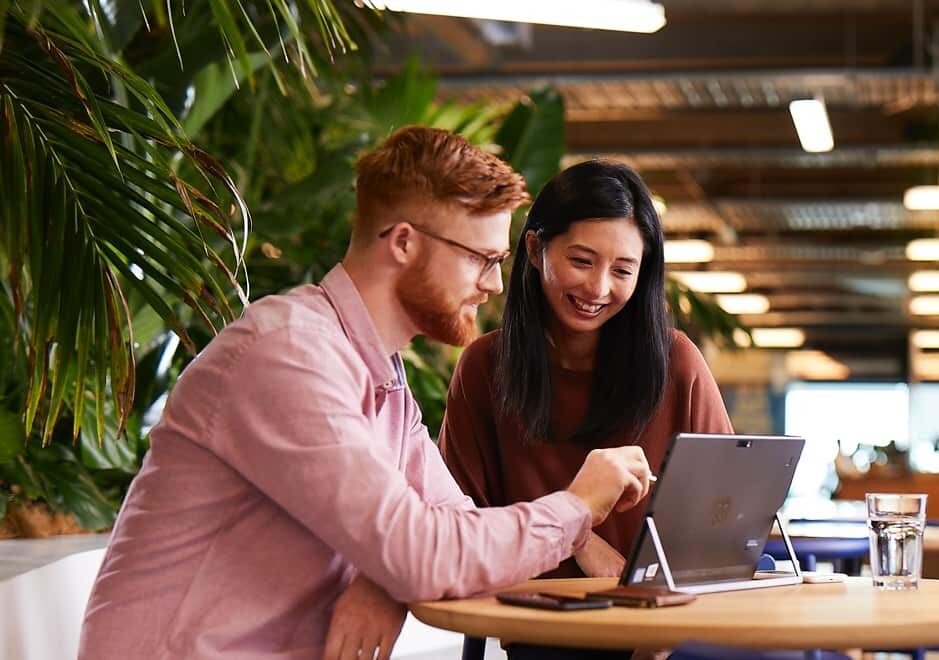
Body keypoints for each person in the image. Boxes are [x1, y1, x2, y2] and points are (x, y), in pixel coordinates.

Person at [78, 128, 652, 660]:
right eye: (481, 259)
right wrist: (578, 506)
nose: (495, 284)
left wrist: (389, 576)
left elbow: (450, 530)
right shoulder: (287, 356)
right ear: (403, 242)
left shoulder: (384, 378)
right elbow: (425, 550)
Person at [438, 161, 732, 660]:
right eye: (581, 260)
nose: (598, 289)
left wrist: (654, 638)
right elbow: (459, 523)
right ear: (534, 248)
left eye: (622, 270)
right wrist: (579, 537)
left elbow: (725, 517)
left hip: (670, 634)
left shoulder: (677, 362)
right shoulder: (485, 367)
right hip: (545, 633)